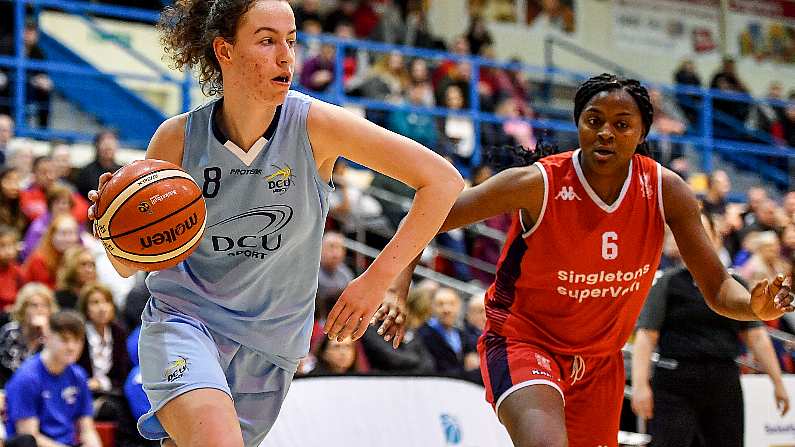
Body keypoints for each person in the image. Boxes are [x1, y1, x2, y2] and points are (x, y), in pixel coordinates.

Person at [86, 1, 463, 446]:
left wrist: (375, 280)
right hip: (186, 322)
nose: (286, 56)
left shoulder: (317, 125)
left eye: (292, 40)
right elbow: (129, 267)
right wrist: (111, 225)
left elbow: (442, 181)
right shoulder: (178, 138)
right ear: (224, 51)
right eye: (267, 41)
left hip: (272, 345)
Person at [378, 73, 794, 447]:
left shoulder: (668, 192)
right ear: (578, 124)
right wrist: (398, 286)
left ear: (642, 132)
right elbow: (431, 217)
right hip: (524, 342)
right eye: (594, 121)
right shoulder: (537, 183)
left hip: (600, 362)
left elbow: (718, 287)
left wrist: (751, 306)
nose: (606, 133)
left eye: (621, 124)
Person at [631, 210, 789, 447]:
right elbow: (646, 336)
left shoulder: (735, 283)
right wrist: (641, 385)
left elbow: (757, 337)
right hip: (675, 378)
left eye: (702, 230)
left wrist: (778, 383)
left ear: (716, 238)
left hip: (723, 378)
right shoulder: (668, 282)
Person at [5, 310, 102, 447]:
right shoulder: (27, 378)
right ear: (47, 337)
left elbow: (87, 430)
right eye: (65, 340)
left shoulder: (79, 375)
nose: (72, 347)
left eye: (78, 340)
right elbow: (29, 436)